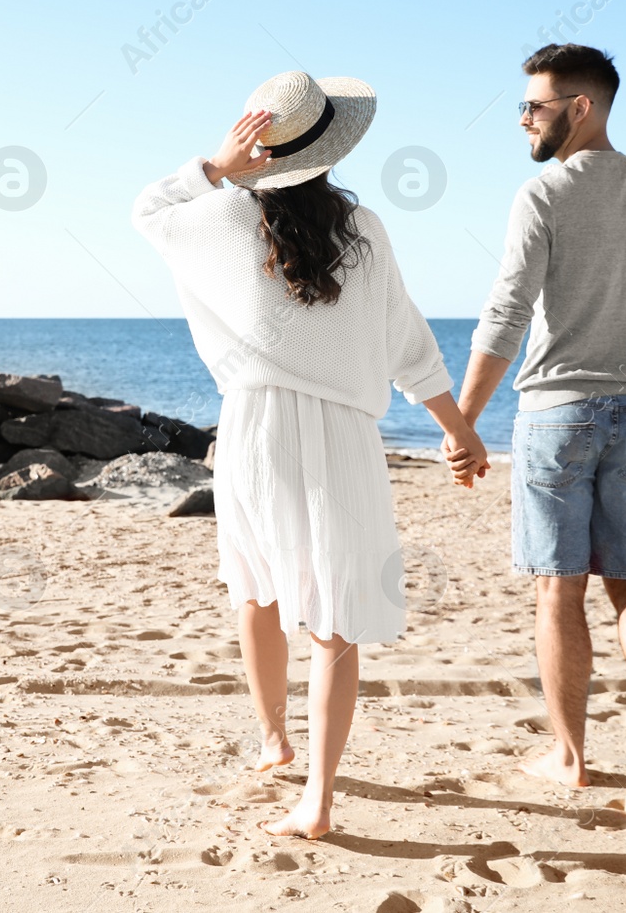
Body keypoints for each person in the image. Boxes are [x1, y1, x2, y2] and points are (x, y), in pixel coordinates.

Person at [132, 70, 486, 839]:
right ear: (331, 148)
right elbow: (408, 341)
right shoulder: (362, 231)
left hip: (254, 429)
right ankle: (316, 800)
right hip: (343, 439)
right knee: (334, 623)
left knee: (255, 589)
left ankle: (273, 741)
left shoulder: (220, 216)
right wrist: (456, 427)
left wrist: (219, 165)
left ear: (263, 145)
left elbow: (147, 209)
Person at [447, 44, 626, 813]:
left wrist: (463, 417)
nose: (522, 120)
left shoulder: (543, 194)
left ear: (581, 107)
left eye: (534, 106)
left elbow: (505, 313)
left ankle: (570, 757)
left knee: (558, 588)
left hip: (558, 416)